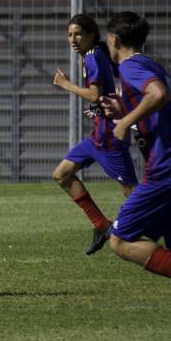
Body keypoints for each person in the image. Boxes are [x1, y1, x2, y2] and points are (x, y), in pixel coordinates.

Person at [51, 14, 137, 255]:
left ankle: (153, 230)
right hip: (97, 136)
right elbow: (106, 92)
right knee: (62, 175)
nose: (73, 39)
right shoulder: (93, 55)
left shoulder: (92, 57)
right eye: (69, 34)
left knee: (133, 193)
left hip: (110, 137)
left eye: (78, 33)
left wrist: (65, 84)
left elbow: (94, 94)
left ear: (91, 35)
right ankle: (101, 225)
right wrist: (99, 109)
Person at [99, 12, 171, 278]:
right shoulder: (151, 64)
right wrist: (123, 108)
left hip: (163, 170)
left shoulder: (129, 67)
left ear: (113, 39)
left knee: (120, 240)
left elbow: (159, 94)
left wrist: (124, 121)